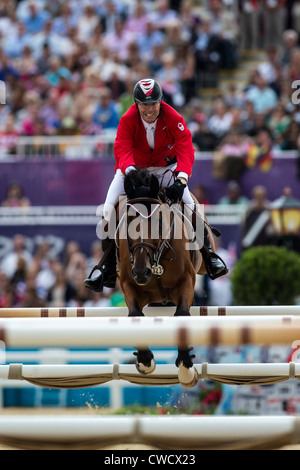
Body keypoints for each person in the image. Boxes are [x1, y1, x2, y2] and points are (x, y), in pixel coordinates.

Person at [84, 78, 228, 293]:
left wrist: (181, 180)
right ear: (136, 103)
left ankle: (209, 256)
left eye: (153, 104)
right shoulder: (127, 119)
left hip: (166, 169)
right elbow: (122, 148)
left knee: (191, 205)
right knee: (107, 210)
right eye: (144, 104)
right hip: (134, 170)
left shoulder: (173, 117)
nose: (149, 109)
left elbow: (186, 148)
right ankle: (107, 267)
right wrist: (132, 173)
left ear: (160, 102)